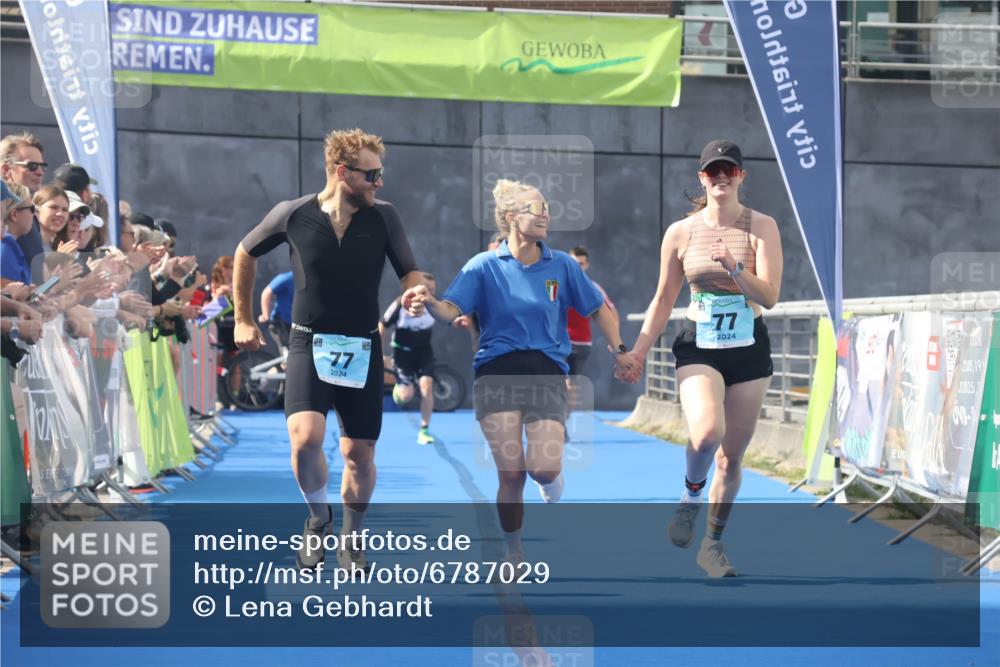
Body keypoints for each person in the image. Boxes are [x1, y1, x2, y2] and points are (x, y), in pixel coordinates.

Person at [402, 179, 638, 563]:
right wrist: (428, 301)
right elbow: (450, 310)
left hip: (546, 373)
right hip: (495, 375)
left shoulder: (561, 264)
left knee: (542, 469)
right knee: (511, 475)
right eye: (536, 208)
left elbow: (598, 309)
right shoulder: (482, 266)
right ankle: (514, 551)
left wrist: (621, 351)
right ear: (512, 218)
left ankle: (551, 479)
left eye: (547, 208)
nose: (545, 214)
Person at [232, 128, 424, 572]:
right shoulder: (292, 213)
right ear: (342, 172)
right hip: (307, 340)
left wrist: (413, 292)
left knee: (358, 454)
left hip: (362, 344)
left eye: (381, 175)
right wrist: (243, 317)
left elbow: (410, 271)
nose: (379, 183)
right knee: (305, 440)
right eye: (372, 175)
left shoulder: (384, 217)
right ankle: (318, 517)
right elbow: (244, 252)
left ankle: (352, 537)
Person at [626, 140, 783, 577]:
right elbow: (662, 298)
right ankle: (691, 497)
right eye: (712, 170)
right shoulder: (681, 232)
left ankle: (712, 545)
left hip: (748, 345)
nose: (720, 177)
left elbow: (770, 296)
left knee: (732, 458)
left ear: (740, 176)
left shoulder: (762, 226)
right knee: (708, 431)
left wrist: (735, 268)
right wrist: (638, 350)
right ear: (702, 178)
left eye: (728, 170)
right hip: (699, 342)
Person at [564, 245, 618, 439]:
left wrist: (615, 341)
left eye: (581, 263)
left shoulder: (593, 288)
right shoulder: (555, 283)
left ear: (587, 265)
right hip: (554, 344)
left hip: (579, 345)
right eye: (573, 263)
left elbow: (611, 312)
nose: (577, 267)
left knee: (569, 386)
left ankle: (562, 422)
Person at [379, 272, 438, 445]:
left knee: (427, 387)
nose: (431, 293)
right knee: (406, 396)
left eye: (434, 290)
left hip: (423, 351)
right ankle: (401, 387)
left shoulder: (435, 304)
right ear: (417, 288)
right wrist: (378, 351)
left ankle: (424, 430)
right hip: (402, 353)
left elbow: (450, 316)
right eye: (428, 289)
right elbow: (382, 325)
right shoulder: (401, 303)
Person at [258, 270, 293, 349]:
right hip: (280, 323)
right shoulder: (287, 278)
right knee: (289, 353)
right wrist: (265, 315)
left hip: (297, 324)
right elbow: (266, 293)